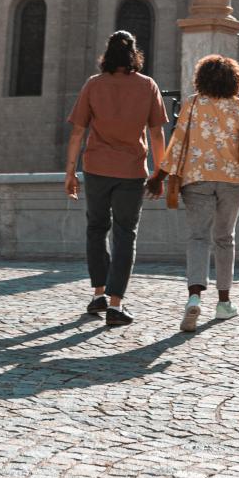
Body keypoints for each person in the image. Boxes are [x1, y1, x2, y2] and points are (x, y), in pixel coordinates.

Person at [148, 53, 239, 332]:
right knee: (225, 238)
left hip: (196, 179)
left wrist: (158, 176)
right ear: (234, 80)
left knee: (198, 237)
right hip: (232, 181)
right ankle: (224, 303)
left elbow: (177, 143)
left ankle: (194, 297)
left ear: (201, 78)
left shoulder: (192, 104)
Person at [65, 30, 168, 328]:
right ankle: (115, 304)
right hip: (131, 171)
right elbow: (157, 133)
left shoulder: (94, 85)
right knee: (125, 234)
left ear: (107, 55)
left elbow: (77, 132)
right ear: (135, 54)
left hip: (96, 168)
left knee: (96, 229)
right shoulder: (147, 86)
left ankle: (98, 293)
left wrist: (70, 172)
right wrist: (159, 172)